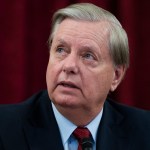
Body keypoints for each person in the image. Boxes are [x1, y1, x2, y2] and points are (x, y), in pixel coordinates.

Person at [0, 3, 150, 150]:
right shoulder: (5, 128)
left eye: (88, 56)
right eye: (61, 50)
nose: (69, 66)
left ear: (116, 76)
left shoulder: (145, 131)